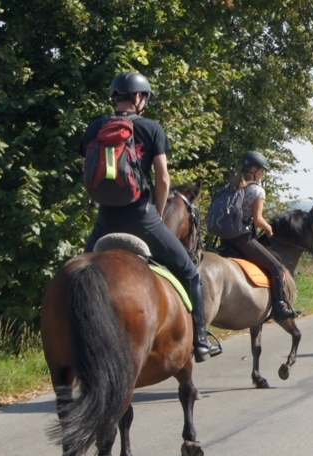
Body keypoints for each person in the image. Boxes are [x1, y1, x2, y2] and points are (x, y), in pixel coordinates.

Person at [80, 72, 215, 362]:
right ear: (139, 97)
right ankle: (201, 341)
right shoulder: (151, 128)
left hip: (105, 220)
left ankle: (76, 340)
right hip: (143, 219)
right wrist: (158, 210)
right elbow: (163, 178)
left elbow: (87, 173)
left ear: (115, 97)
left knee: (80, 276)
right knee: (190, 273)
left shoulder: (94, 128)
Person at [217, 151, 297, 322]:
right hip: (242, 239)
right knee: (277, 268)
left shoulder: (231, 187)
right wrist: (268, 229)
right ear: (253, 170)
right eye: (262, 170)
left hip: (226, 240)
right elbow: (258, 220)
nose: (263, 174)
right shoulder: (257, 191)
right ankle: (279, 308)